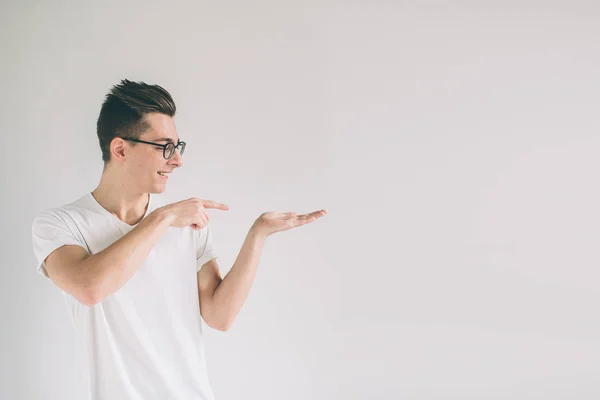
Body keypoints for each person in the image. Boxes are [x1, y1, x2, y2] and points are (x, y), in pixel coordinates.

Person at [31, 79, 327, 400]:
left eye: (177, 147)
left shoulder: (188, 224)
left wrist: (258, 235)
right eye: (165, 147)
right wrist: (165, 217)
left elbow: (219, 316)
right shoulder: (60, 224)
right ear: (120, 149)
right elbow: (91, 288)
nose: (177, 160)